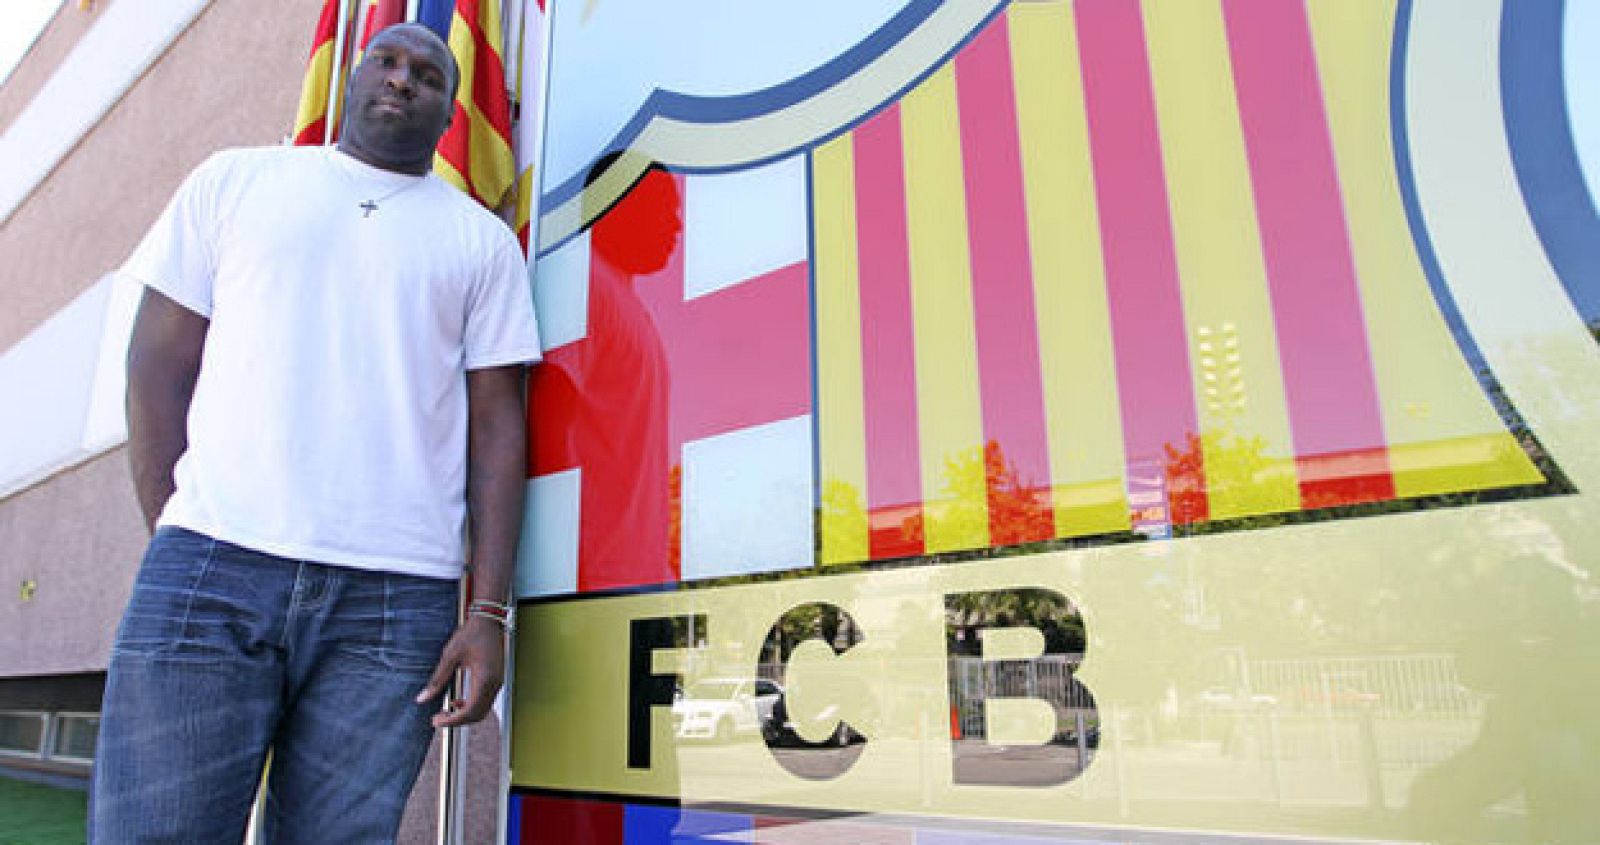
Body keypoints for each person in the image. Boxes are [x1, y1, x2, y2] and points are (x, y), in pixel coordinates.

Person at [90, 23, 540, 843]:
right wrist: (176, 526)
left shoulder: (481, 243)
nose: (402, 79)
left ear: (450, 114)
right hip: (212, 568)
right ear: (355, 76)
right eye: (386, 61)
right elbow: (155, 367)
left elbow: (498, 432)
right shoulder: (236, 181)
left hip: (395, 599)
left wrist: (488, 610)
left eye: (428, 74)